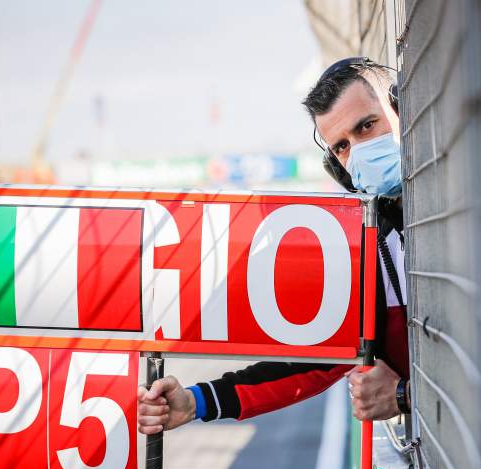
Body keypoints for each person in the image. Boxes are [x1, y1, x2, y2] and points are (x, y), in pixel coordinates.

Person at [137, 57, 410, 435]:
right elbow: (308, 366)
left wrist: (403, 396)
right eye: (343, 146)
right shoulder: (368, 246)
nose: (360, 152)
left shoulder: (473, 205)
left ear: (405, 109)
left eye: (367, 125)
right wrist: (196, 402)